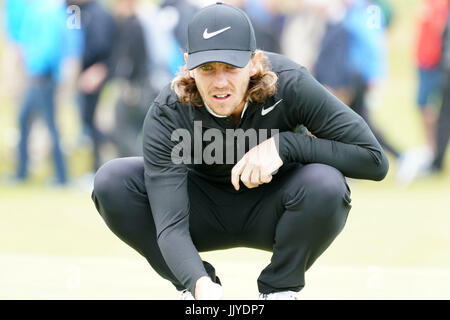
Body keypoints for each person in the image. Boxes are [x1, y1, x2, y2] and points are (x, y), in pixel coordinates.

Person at [91, 2, 389, 300]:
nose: (220, 82)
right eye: (207, 68)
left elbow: (374, 161)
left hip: (277, 208)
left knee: (327, 183)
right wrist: (198, 284)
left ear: (255, 62)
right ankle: (195, 284)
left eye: (231, 67)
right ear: (189, 65)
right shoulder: (169, 111)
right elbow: (170, 225)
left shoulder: (291, 84)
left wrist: (287, 145)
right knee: (111, 181)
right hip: (199, 211)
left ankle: (280, 289)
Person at [4, 0, 82, 185]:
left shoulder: (47, 10)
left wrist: (38, 69)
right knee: (26, 120)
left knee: (49, 125)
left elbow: (49, 45)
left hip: (42, 76)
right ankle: (23, 173)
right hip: (40, 74)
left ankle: (61, 177)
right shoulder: (48, 9)